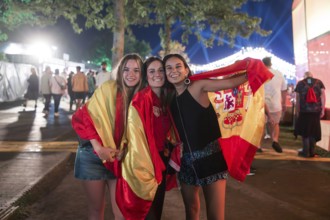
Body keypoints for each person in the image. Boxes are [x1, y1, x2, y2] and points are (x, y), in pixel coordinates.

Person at [163, 54, 250, 220]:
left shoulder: (198, 86)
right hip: (186, 161)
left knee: (215, 215)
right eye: (169, 68)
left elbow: (230, 83)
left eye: (178, 66)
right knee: (191, 210)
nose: (174, 71)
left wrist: (253, 71)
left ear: (186, 69)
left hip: (211, 157)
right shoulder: (169, 98)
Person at [71, 53, 144, 220]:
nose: (130, 74)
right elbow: (83, 117)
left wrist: (126, 151)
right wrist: (99, 148)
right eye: (126, 69)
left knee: (121, 213)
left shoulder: (142, 97)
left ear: (142, 74)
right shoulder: (107, 88)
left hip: (119, 159)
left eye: (136, 70)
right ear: (120, 71)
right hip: (92, 155)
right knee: (96, 211)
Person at [117, 57, 177, 220]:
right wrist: (153, 167)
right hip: (146, 165)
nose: (157, 74)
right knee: (147, 213)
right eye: (152, 71)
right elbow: (137, 139)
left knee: (156, 211)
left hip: (161, 161)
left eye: (160, 70)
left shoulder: (165, 98)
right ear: (146, 75)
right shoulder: (142, 99)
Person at [294, 71, 325, 157]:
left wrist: (297, 111)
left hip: (304, 112)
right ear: (312, 76)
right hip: (316, 111)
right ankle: (312, 152)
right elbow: (323, 96)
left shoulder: (300, 83)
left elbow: (298, 99)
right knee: (313, 131)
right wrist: (322, 109)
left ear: (304, 77)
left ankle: (305, 152)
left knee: (305, 132)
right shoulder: (319, 82)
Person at [262, 57, 287, 153]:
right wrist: (284, 103)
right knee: (275, 124)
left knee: (261, 125)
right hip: (276, 104)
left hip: (262, 104)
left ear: (262, 64)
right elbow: (284, 89)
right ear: (270, 64)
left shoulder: (260, 73)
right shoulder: (279, 74)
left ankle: (259, 146)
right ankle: (275, 140)